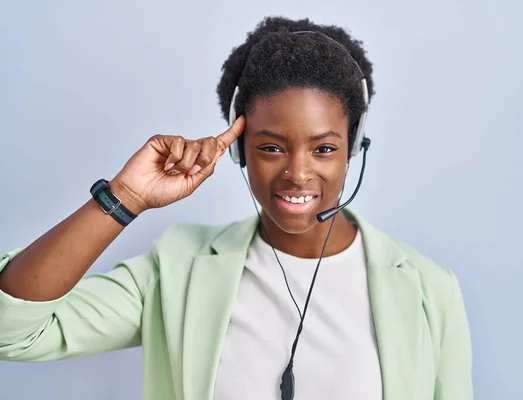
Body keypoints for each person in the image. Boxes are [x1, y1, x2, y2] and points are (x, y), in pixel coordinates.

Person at [0, 16, 472, 400]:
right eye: (271, 147)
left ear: (354, 149)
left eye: (324, 149)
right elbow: (13, 331)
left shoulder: (430, 290)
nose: (298, 173)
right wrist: (124, 198)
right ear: (238, 150)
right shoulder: (178, 269)